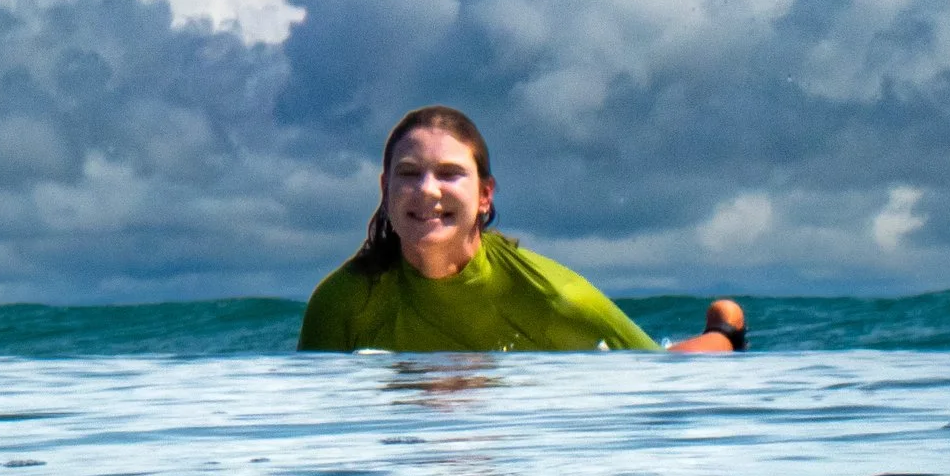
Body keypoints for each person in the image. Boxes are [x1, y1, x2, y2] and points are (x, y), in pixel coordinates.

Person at [296, 105, 747, 354]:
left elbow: (661, 381)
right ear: (385, 188)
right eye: (409, 173)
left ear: (485, 195)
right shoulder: (343, 302)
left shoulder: (553, 298)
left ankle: (724, 331)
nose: (426, 190)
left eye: (449, 174)